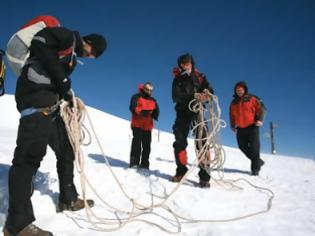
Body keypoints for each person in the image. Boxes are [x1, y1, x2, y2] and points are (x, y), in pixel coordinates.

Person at [3, 26, 106, 236]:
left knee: (66, 150)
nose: (89, 56)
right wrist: (63, 80)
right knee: (27, 160)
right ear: (89, 43)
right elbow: (40, 43)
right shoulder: (66, 36)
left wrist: (66, 95)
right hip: (36, 104)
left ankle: (67, 198)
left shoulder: (71, 59)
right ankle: (17, 224)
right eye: (92, 53)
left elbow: (55, 78)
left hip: (51, 109)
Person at [171, 53, 214, 188]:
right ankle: (181, 171)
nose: (186, 65)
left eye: (188, 62)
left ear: (192, 63)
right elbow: (176, 96)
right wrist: (192, 95)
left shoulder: (200, 77)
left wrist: (206, 96)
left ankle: (205, 177)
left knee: (202, 142)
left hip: (198, 112)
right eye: (183, 63)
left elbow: (210, 91)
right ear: (180, 65)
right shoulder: (178, 79)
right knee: (179, 141)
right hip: (183, 111)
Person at [229, 81, 266, 176]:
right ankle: (258, 161)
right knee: (242, 146)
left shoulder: (252, 98)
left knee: (254, 148)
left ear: (244, 90)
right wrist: (233, 125)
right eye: (237, 90)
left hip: (252, 126)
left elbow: (262, 108)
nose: (239, 92)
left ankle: (255, 169)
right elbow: (232, 115)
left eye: (241, 90)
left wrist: (260, 120)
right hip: (240, 128)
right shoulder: (234, 103)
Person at [129, 82, 159, 170]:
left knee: (147, 146)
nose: (149, 91)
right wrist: (141, 112)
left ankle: (144, 164)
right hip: (137, 124)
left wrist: (155, 114)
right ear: (144, 88)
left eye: (151, 90)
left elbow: (156, 109)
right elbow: (132, 107)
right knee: (137, 143)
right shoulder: (136, 97)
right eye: (148, 89)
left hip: (148, 126)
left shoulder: (153, 100)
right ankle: (134, 163)